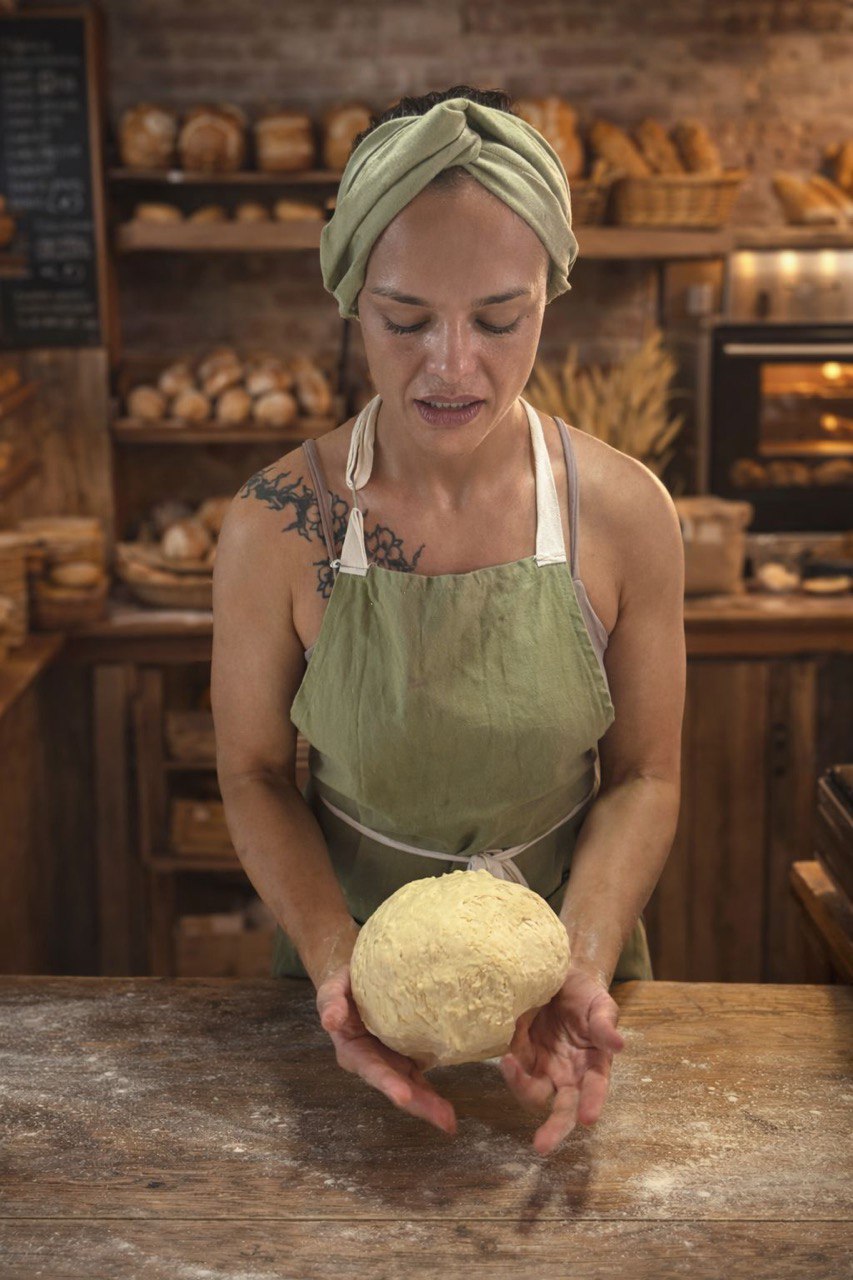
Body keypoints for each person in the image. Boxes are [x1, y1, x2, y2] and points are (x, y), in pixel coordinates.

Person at [212, 86, 685, 1157]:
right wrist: (339, 963)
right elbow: (251, 772)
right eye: (406, 319)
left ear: (549, 297)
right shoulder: (277, 522)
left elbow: (645, 775)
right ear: (351, 300)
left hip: (566, 1005)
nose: (452, 365)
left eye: (499, 319)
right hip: (341, 998)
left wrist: (580, 959)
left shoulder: (624, 513)